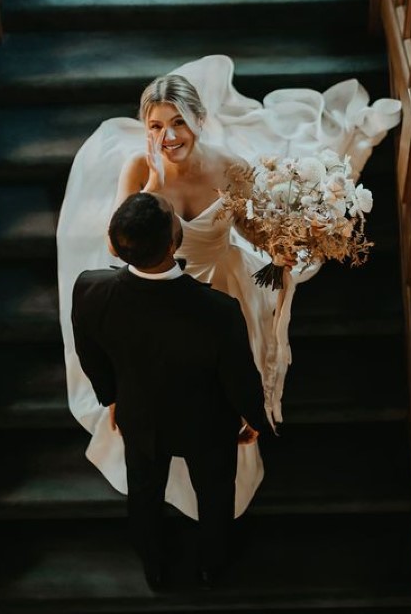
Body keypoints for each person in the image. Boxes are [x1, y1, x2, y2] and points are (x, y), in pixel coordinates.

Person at [56, 54, 401, 519]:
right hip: (159, 288)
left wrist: (282, 246)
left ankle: (227, 440)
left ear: (200, 119)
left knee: (220, 376)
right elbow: (118, 249)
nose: (168, 137)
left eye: (178, 122)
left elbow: (253, 231)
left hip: (221, 283)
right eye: (155, 126)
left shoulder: (229, 168)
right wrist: (153, 186)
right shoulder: (140, 168)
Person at [71, 192, 269, 588]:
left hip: (140, 417)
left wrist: (111, 397)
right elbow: (239, 377)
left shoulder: (90, 291)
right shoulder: (218, 311)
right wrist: (254, 417)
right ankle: (213, 562)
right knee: (214, 496)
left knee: (143, 494)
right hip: (207, 426)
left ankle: (153, 563)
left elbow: (89, 353)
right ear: (174, 242)